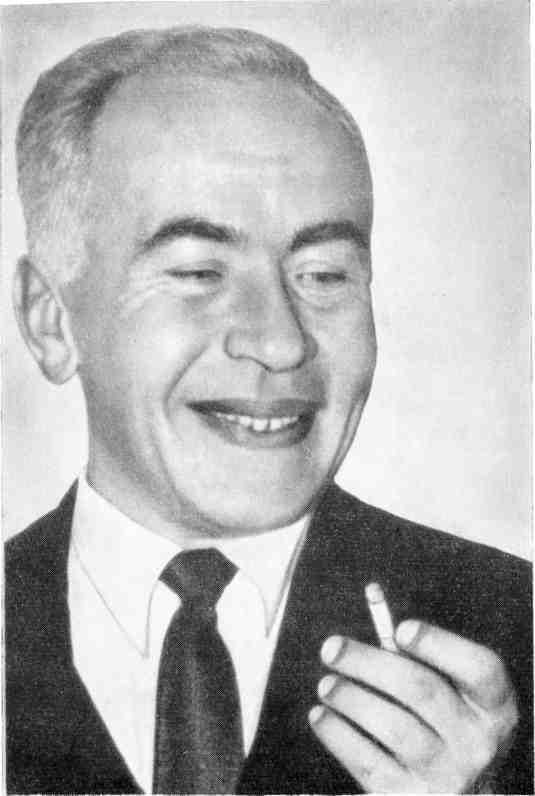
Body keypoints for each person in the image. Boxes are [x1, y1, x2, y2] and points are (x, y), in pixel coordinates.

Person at [5, 25, 531, 795]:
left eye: (323, 274)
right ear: (51, 321)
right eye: (197, 272)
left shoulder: (515, 627)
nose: (281, 342)